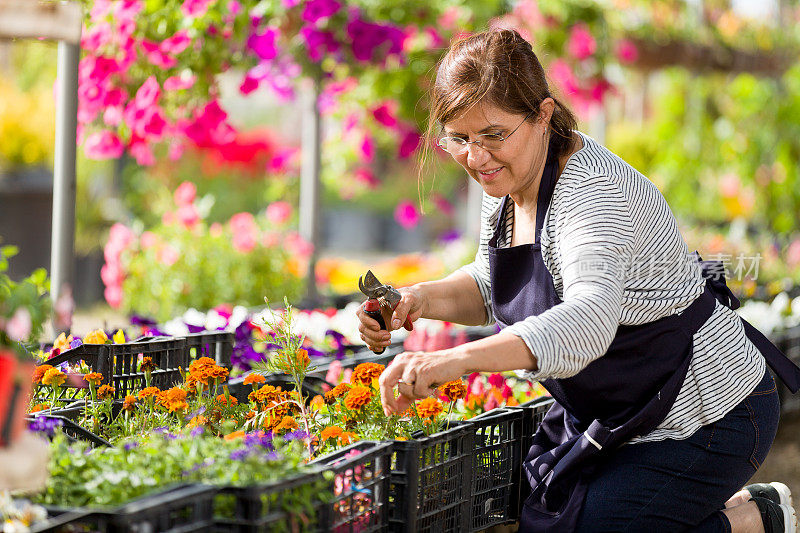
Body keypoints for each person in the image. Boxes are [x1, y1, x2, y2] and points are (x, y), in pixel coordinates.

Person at [357, 29, 800, 533]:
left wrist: (453, 361)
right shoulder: (505, 181)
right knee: (539, 515)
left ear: (543, 114)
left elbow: (589, 321)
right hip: (620, 409)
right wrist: (415, 299)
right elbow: (491, 284)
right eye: (459, 138)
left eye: (493, 135)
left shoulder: (592, 195)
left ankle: (755, 519)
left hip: (709, 416)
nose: (475, 158)